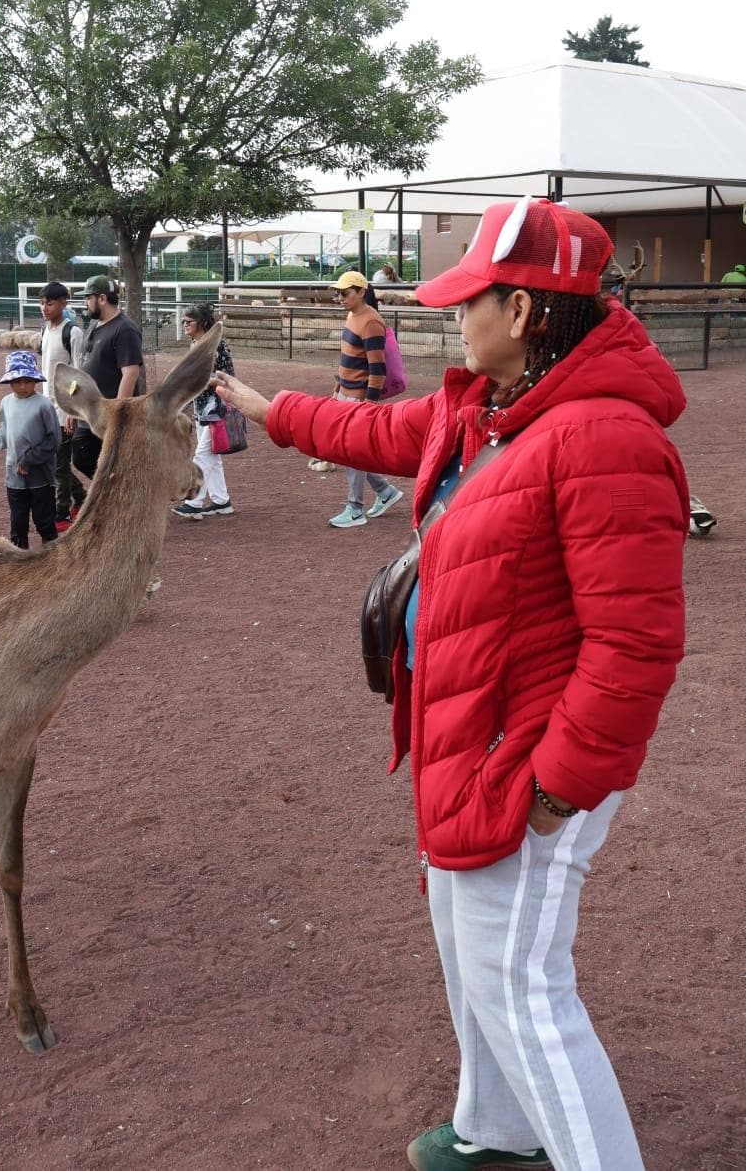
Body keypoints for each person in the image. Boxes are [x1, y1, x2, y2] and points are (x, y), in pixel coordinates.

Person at [214, 198, 688, 1171]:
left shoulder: (603, 436)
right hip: (470, 736)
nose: (451, 314)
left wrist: (558, 786)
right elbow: (383, 432)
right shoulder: (487, 408)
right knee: (467, 948)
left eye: (468, 296)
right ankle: (494, 1130)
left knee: (521, 986)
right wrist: (273, 413)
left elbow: (634, 644)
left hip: (527, 756)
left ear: (519, 311)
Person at [325, 269, 403, 528]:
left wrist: (369, 404)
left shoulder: (371, 322)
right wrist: (338, 387)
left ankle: (355, 508)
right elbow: (347, 357)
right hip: (348, 393)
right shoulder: (354, 316)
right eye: (338, 294)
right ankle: (385, 492)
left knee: (352, 453)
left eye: (345, 293)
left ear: (361, 292)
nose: (340, 298)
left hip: (359, 398)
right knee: (352, 451)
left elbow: (377, 367)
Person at [0, 350, 61, 549]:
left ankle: (53, 563)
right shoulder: (6, 403)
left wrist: (29, 459)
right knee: (18, 524)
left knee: (45, 522)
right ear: (10, 382)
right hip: (14, 477)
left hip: (41, 476)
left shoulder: (44, 405)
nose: (22, 386)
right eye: (16, 381)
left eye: (27, 380)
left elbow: (54, 440)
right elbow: (5, 435)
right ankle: (19, 564)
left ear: (35, 380)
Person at [70, 275, 143, 485]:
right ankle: (117, 491)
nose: (86, 302)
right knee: (82, 454)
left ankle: (122, 492)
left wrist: (117, 413)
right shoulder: (93, 325)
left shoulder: (125, 329)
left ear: (102, 298)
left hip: (109, 413)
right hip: (90, 411)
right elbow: (84, 366)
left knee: (102, 457)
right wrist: (74, 407)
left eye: (88, 298)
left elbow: (130, 373)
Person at [171, 303, 236, 520]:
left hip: (217, 408)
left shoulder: (216, 345)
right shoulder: (195, 344)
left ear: (202, 323)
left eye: (189, 321)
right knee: (212, 456)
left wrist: (201, 381)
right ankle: (221, 500)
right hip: (201, 408)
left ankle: (194, 501)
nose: (185, 325)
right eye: (183, 321)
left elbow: (227, 378)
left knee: (203, 455)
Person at [38, 280, 86, 531]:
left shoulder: (73, 332)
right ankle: (81, 496)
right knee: (55, 462)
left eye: (50, 303)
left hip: (62, 409)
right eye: (42, 303)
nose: (45, 308)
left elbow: (77, 374)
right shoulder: (45, 330)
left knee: (58, 463)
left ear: (63, 303)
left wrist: (71, 410)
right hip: (45, 406)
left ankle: (61, 513)